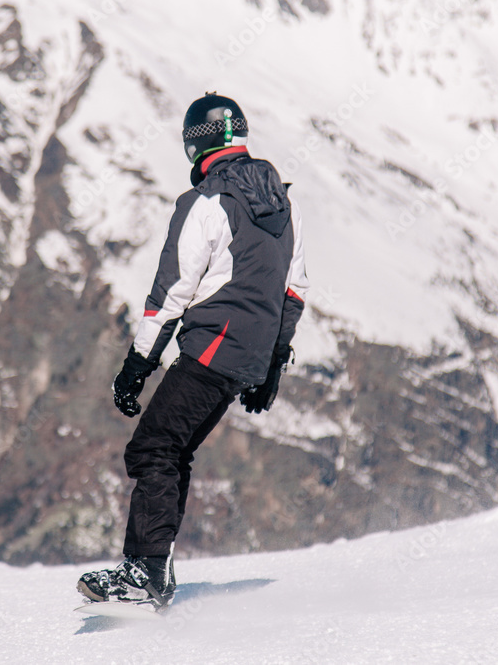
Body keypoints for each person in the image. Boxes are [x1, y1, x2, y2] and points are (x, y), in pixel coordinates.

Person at [77, 93, 309, 611]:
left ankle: (144, 571)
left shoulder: (205, 203)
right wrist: (271, 364)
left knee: (152, 450)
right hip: (247, 354)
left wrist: (136, 367)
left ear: (195, 143)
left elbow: (170, 295)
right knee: (173, 449)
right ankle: (154, 568)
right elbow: (293, 289)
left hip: (213, 347)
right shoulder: (283, 202)